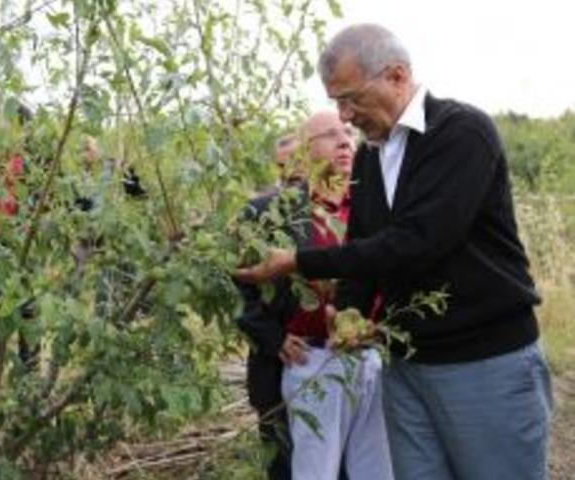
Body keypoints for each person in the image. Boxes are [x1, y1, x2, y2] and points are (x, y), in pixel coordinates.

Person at [236, 24, 552, 480]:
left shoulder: (461, 133)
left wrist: (298, 262)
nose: (344, 116)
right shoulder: (370, 156)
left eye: (350, 99)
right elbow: (364, 244)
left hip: (482, 363)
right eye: (336, 102)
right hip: (406, 365)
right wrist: (347, 310)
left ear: (397, 76)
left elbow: (417, 242)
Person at [235, 113, 366, 480]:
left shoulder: (371, 206)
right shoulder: (267, 212)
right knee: (294, 467)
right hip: (294, 361)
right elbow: (235, 282)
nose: (345, 142)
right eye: (330, 135)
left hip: (363, 359)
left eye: (348, 133)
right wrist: (271, 336)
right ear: (303, 154)